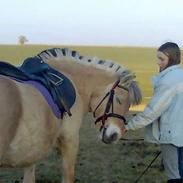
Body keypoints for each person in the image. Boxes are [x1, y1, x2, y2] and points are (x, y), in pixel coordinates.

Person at [123, 42, 183, 183]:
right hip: (179, 134)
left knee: (174, 176)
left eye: (161, 59)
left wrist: (127, 126)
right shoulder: (180, 76)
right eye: (158, 58)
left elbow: (152, 111)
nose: (158, 63)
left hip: (171, 136)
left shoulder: (168, 81)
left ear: (172, 59)